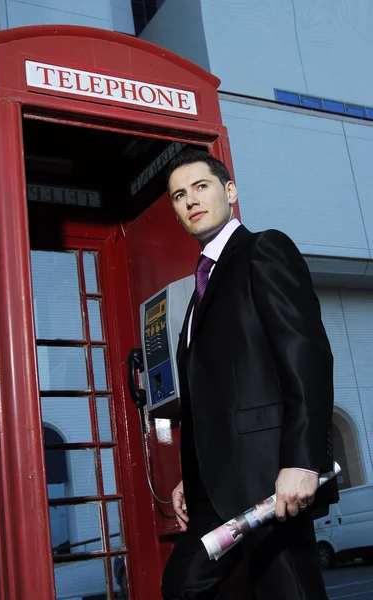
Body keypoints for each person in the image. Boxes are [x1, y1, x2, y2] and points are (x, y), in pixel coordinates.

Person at [161, 149, 338, 600]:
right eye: (179, 195)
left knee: (288, 590)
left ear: (230, 192)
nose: (190, 201)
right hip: (215, 488)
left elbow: (307, 355)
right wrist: (192, 472)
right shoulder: (200, 289)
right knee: (181, 585)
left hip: (270, 474)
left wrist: (302, 461)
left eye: (201, 187)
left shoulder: (264, 249)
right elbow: (214, 392)